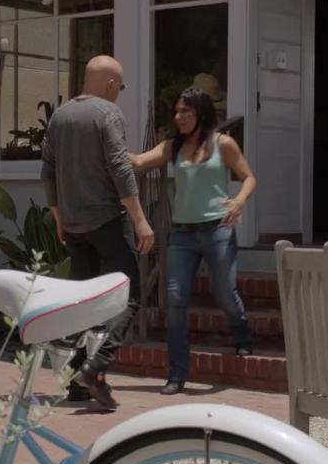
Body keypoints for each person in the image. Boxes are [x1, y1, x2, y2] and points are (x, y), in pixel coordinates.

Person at [41, 55, 155, 410]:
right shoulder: (108, 113)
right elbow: (120, 167)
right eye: (120, 87)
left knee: (84, 304)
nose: (119, 92)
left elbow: (48, 171)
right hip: (107, 221)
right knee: (129, 295)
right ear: (110, 84)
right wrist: (140, 219)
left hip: (74, 226)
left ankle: (77, 383)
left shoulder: (60, 116)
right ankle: (95, 367)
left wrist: (59, 217)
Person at [128, 88, 256, 395]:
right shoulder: (172, 147)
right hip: (182, 235)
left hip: (218, 230)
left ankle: (241, 333)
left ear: (201, 112)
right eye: (176, 112)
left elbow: (249, 177)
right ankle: (177, 374)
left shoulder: (223, 144)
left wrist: (239, 201)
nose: (179, 117)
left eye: (186, 111)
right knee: (175, 300)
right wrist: (107, 145)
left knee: (225, 292)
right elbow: (138, 162)